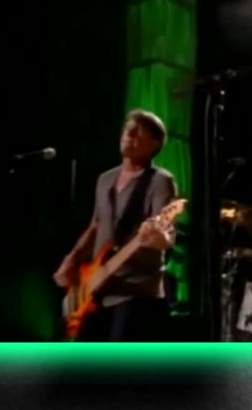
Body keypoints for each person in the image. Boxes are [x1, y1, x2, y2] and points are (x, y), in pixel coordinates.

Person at [54, 109, 178, 342]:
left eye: (137, 132)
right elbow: (95, 225)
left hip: (136, 291)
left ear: (154, 144)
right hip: (98, 286)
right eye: (127, 130)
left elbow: (166, 236)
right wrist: (71, 259)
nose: (128, 135)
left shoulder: (161, 181)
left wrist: (159, 238)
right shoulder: (105, 179)